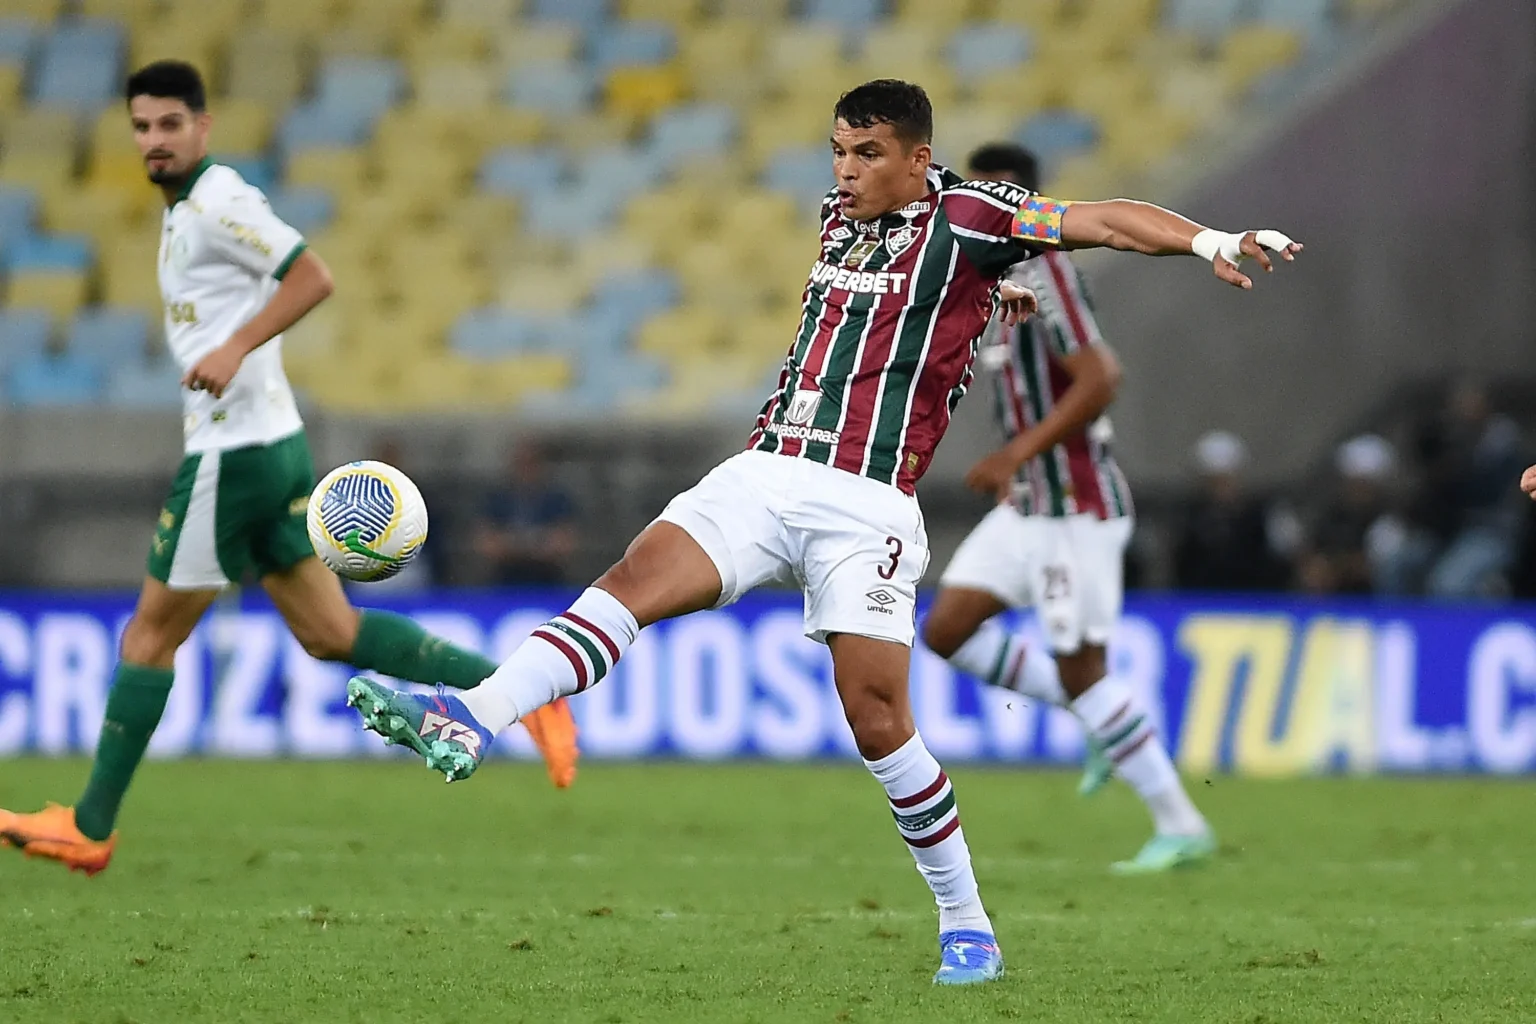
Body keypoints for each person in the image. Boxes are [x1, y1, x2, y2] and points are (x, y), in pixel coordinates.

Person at [346, 80, 1300, 985]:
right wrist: (976, 306)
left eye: (868, 154)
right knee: (629, 584)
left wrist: (1208, 238)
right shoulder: (842, 220)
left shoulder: (971, 215)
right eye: (839, 151)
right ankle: (470, 718)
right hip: (764, 472)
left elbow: (1100, 221)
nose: (845, 171)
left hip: (867, 503)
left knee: (878, 722)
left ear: (920, 159)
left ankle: (967, 922)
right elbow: (909, 311)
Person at [0, 62, 578, 876]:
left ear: (201, 127)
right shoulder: (184, 214)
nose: (154, 141)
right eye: (141, 127)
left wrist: (235, 347)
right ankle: (520, 691)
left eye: (170, 125)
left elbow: (312, 274)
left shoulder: (217, 204)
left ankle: (90, 825)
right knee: (330, 632)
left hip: (232, 455)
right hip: (272, 446)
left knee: (147, 635)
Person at [918, 141, 1213, 874]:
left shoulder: (1048, 272)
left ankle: (1182, 824)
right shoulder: (992, 275)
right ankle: (1097, 721)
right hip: (1028, 508)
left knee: (1085, 669)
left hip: (1074, 504)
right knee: (948, 628)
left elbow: (1101, 377)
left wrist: (1016, 453)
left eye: (1008, 195)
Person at [1173, 431, 1296, 592]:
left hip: (1256, 602)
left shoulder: (1265, 516)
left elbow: (1287, 561)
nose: (1220, 489)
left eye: (1226, 480)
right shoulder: (1189, 519)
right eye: (1214, 482)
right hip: (1203, 602)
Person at [473, 442, 579, 586]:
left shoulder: (557, 499)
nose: (526, 469)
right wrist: (536, 543)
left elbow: (564, 543)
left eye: (532, 463)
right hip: (505, 577)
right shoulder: (497, 499)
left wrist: (513, 544)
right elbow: (488, 544)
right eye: (521, 463)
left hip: (548, 577)